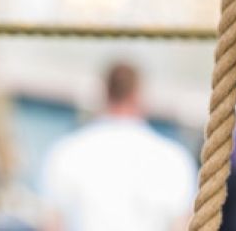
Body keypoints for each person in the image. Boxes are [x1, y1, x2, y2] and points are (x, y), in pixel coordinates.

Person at [40, 62, 197, 231]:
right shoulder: (173, 158)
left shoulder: (66, 152)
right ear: (139, 95)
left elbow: (52, 224)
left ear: (105, 93)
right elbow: (182, 225)